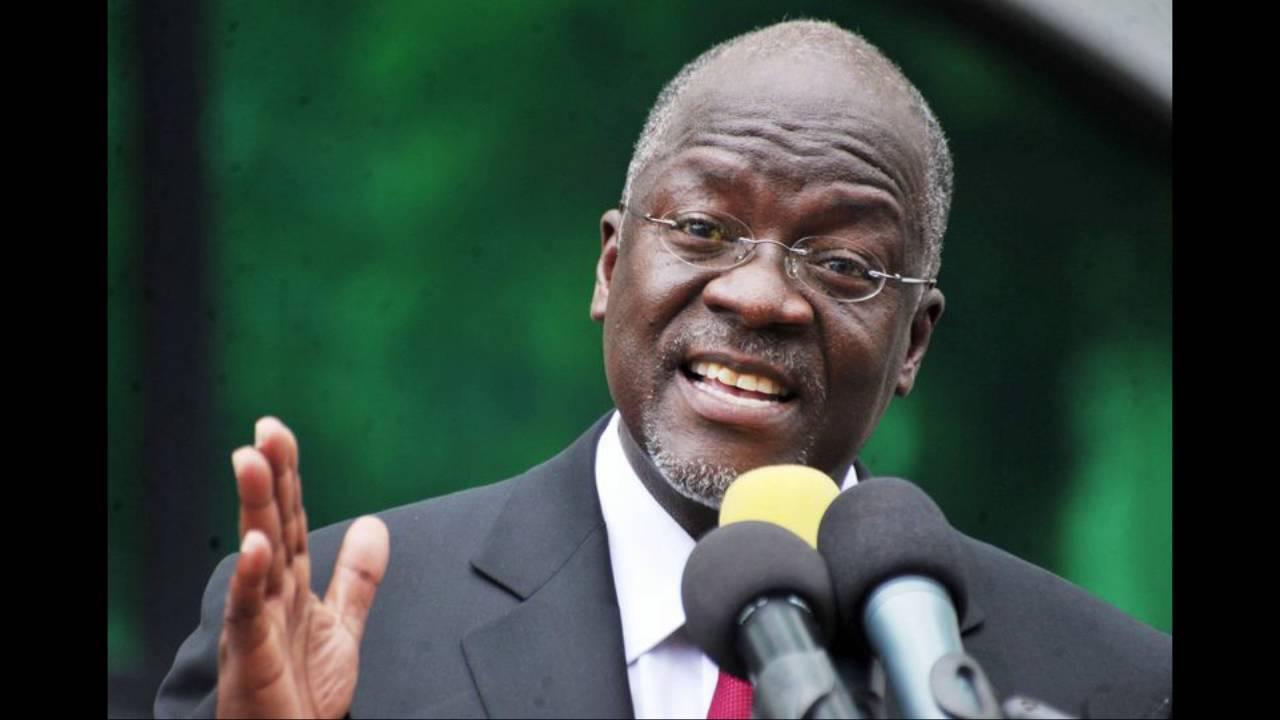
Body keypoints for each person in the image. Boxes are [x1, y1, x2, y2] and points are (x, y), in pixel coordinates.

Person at [155, 19, 1171, 719]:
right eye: (701, 227)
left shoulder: (1104, 684)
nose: (759, 297)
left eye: (842, 264)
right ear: (610, 266)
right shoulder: (338, 638)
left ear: (911, 342)